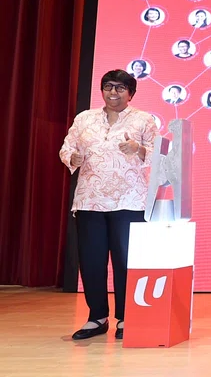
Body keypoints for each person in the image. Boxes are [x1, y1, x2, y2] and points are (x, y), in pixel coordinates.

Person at [59, 70, 159, 341]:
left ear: (131, 93)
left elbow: (158, 154)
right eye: (108, 87)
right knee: (92, 261)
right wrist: (73, 157)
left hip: (129, 201)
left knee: (127, 262)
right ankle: (97, 317)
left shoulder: (144, 119)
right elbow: (66, 149)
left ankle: (127, 317)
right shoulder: (85, 118)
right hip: (90, 200)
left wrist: (137, 149)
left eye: (120, 88)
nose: (113, 92)